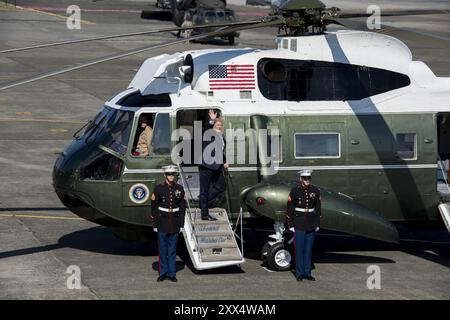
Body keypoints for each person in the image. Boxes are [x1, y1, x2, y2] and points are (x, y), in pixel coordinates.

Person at [151, 165, 186, 282]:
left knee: (172, 250)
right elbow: (154, 208)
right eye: (169, 174)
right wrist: (155, 224)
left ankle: (171, 273)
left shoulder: (179, 189)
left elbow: (182, 207)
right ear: (165, 175)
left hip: (175, 223)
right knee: (162, 249)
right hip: (162, 222)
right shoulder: (158, 188)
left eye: (173, 174)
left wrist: (181, 224)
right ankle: (162, 272)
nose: (171, 176)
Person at [286, 169, 321, 282]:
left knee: (308, 249)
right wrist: (290, 224)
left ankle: (307, 273)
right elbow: (290, 208)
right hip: (299, 223)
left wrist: (317, 223)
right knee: (299, 249)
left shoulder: (315, 190)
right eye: (305, 178)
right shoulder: (295, 191)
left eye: (308, 178)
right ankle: (300, 273)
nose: (307, 180)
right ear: (300, 179)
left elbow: (318, 208)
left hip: (311, 223)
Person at [199, 117, 228, 221]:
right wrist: (211, 120)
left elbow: (220, 150)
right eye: (217, 125)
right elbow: (206, 128)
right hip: (206, 165)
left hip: (218, 165)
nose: (219, 126)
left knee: (221, 186)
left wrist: (224, 161)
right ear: (213, 125)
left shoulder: (221, 137)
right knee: (204, 190)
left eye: (220, 125)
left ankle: (203, 202)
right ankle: (205, 214)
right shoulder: (209, 134)